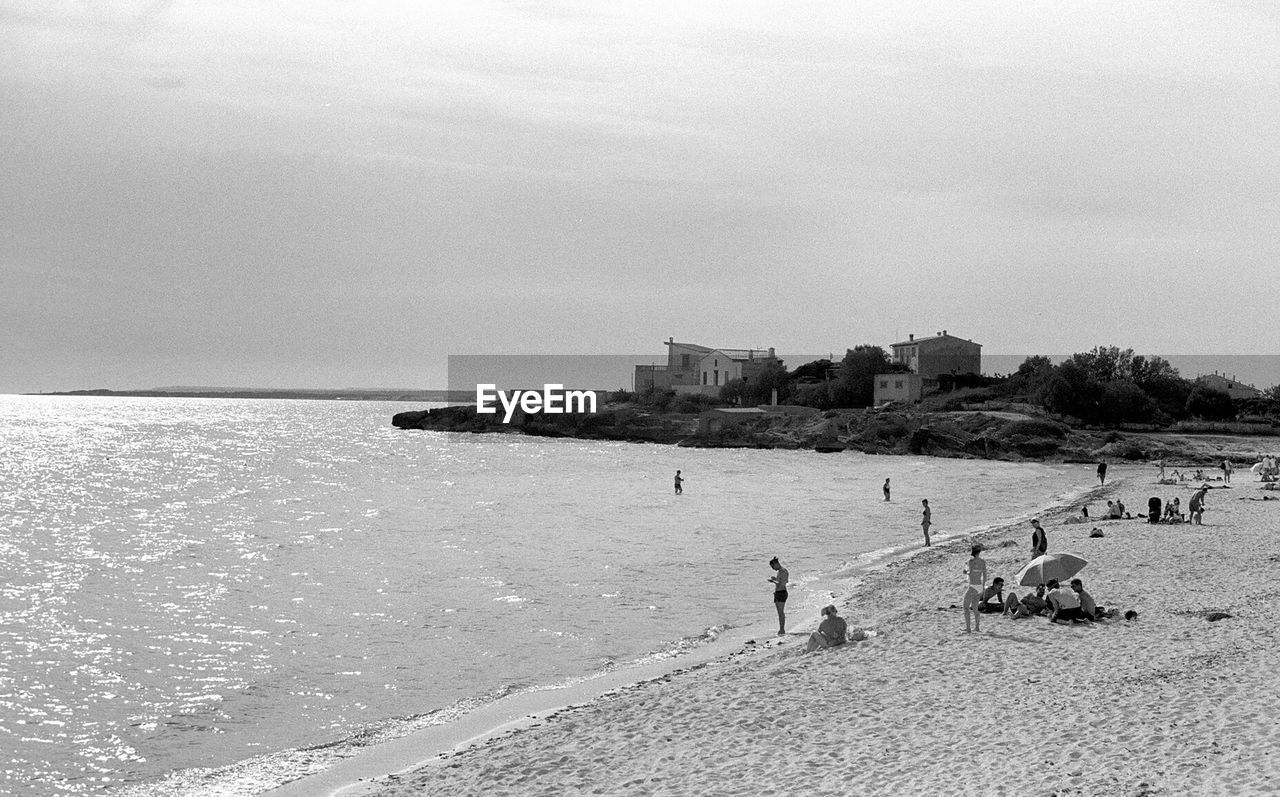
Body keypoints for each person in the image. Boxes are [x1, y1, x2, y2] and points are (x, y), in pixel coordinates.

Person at [962, 545, 987, 632]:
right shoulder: (983, 562)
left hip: (972, 585)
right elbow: (985, 575)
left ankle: (968, 628)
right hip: (979, 586)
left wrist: (965, 572)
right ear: (979, 552)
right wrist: (983, 587)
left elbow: (969, 572)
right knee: (975, 608)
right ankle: (977, 627)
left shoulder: (970, 561)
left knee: (965, 607)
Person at [768, 556, 789, 635]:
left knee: (780, 613)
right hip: (780, 592)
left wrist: (773, 581)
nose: (773, 568)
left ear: (776, 564)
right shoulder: (781, 571)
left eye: (773, 566)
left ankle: (782, 629)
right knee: (780, 612)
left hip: (781, 592)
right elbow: (780, 582)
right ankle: (781, 629)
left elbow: (782, 583)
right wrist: (774, 580)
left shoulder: (782, 571)